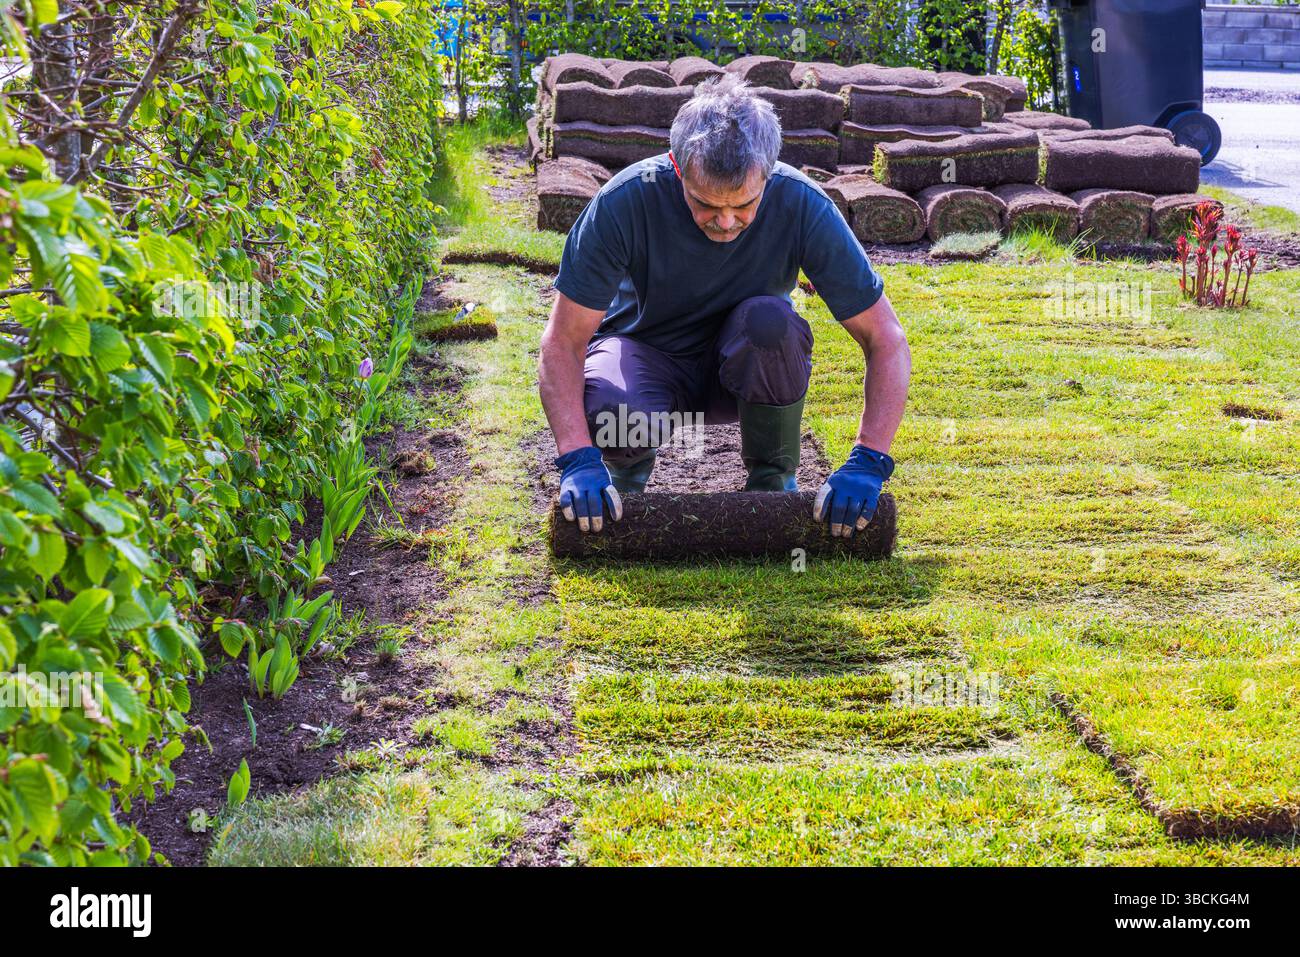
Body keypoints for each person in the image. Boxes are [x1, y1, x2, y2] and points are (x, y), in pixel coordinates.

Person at [538, 73, 910, 538]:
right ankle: (620, 479)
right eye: (706, 204)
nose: (727, 221)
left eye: (744, 205)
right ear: (677, 167)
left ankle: (772, 481)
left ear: (769, 175)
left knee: (773, 324)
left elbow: (885, 338)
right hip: (647, 360)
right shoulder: (623, 204)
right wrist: (576, 456)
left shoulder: (803, 206)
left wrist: (869, 460)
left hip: (745, 368)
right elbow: (564, 342)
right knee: (617, 409)